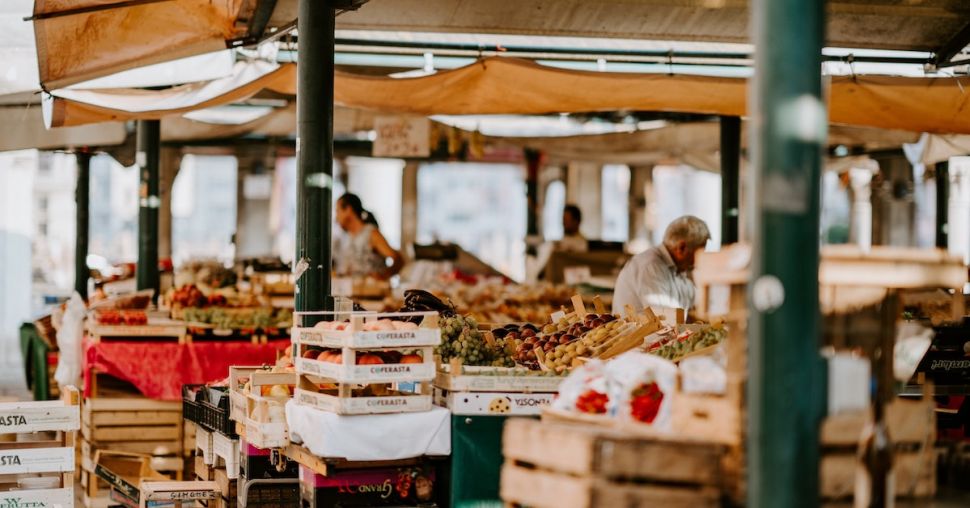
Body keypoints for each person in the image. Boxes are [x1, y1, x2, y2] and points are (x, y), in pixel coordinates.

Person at [612, 215, 710, 314]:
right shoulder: (650, 266)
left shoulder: (678, 269)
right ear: (682, 248)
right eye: (698, 253)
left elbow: (697, 302)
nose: (699, 260)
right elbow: (666, 319)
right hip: (642, 329)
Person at [334, 193, 404, 279]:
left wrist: (383, 276)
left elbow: (398, 259)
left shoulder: (371, 233)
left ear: (348, 210)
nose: (336, 218)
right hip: (352, 291)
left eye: (338, 211)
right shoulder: (346, 237)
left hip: (371, 291)